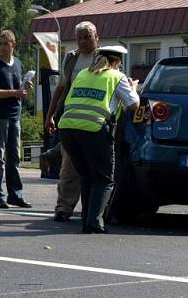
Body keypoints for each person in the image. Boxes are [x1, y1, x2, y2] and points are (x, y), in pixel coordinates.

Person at [57, 45, 139, 233]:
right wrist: (133, 87)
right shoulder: (116, 77)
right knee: (104, 179)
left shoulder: (83, 74)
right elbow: (133, 104)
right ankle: (94, 222)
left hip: (68, 130)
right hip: (94, 130)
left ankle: (87, 218)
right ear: (117, 62)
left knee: (86, 176)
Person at [44, 21, 99, 221]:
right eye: (80, 38)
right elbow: (59, 89)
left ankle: (91, 210)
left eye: (87, 37)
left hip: (96, 123)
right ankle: (64, 208)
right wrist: (49, 115)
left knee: (94, 169)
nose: (83, 41)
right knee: (69, 168)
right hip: (71, 121)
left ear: (96, 37)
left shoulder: (104, 58)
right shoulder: (71, 59)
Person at [0, 30, 34, 209]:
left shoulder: (18, 63)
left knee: (14, 158)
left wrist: (24, 88)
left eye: (6, 43)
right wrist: (16, 92)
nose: (3, 47)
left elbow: (18, 91)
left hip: (15, 115)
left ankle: (15, 194)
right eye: (0, 43)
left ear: (14, 44)